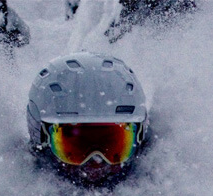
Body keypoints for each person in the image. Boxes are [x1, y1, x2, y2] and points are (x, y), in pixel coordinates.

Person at [27, 52, 149, 186]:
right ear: (41, 137)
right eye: (75, 147)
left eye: (114, 145)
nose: (95, 164)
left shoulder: (154, 187)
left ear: (139, 136)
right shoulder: (19, 190)